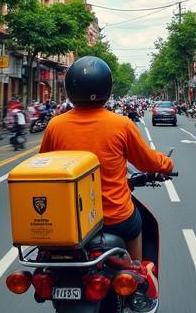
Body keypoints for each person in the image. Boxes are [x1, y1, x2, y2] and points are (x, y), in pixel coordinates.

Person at [40, 56, 173, 272]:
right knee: (138, 225)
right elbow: (146, 161)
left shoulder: (55, 125)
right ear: (107, 89)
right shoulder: (121, 124)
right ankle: (134, 276)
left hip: (68, 217)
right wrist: (166, 164)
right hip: (114, 216)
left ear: (70, 89)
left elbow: (44, 165)